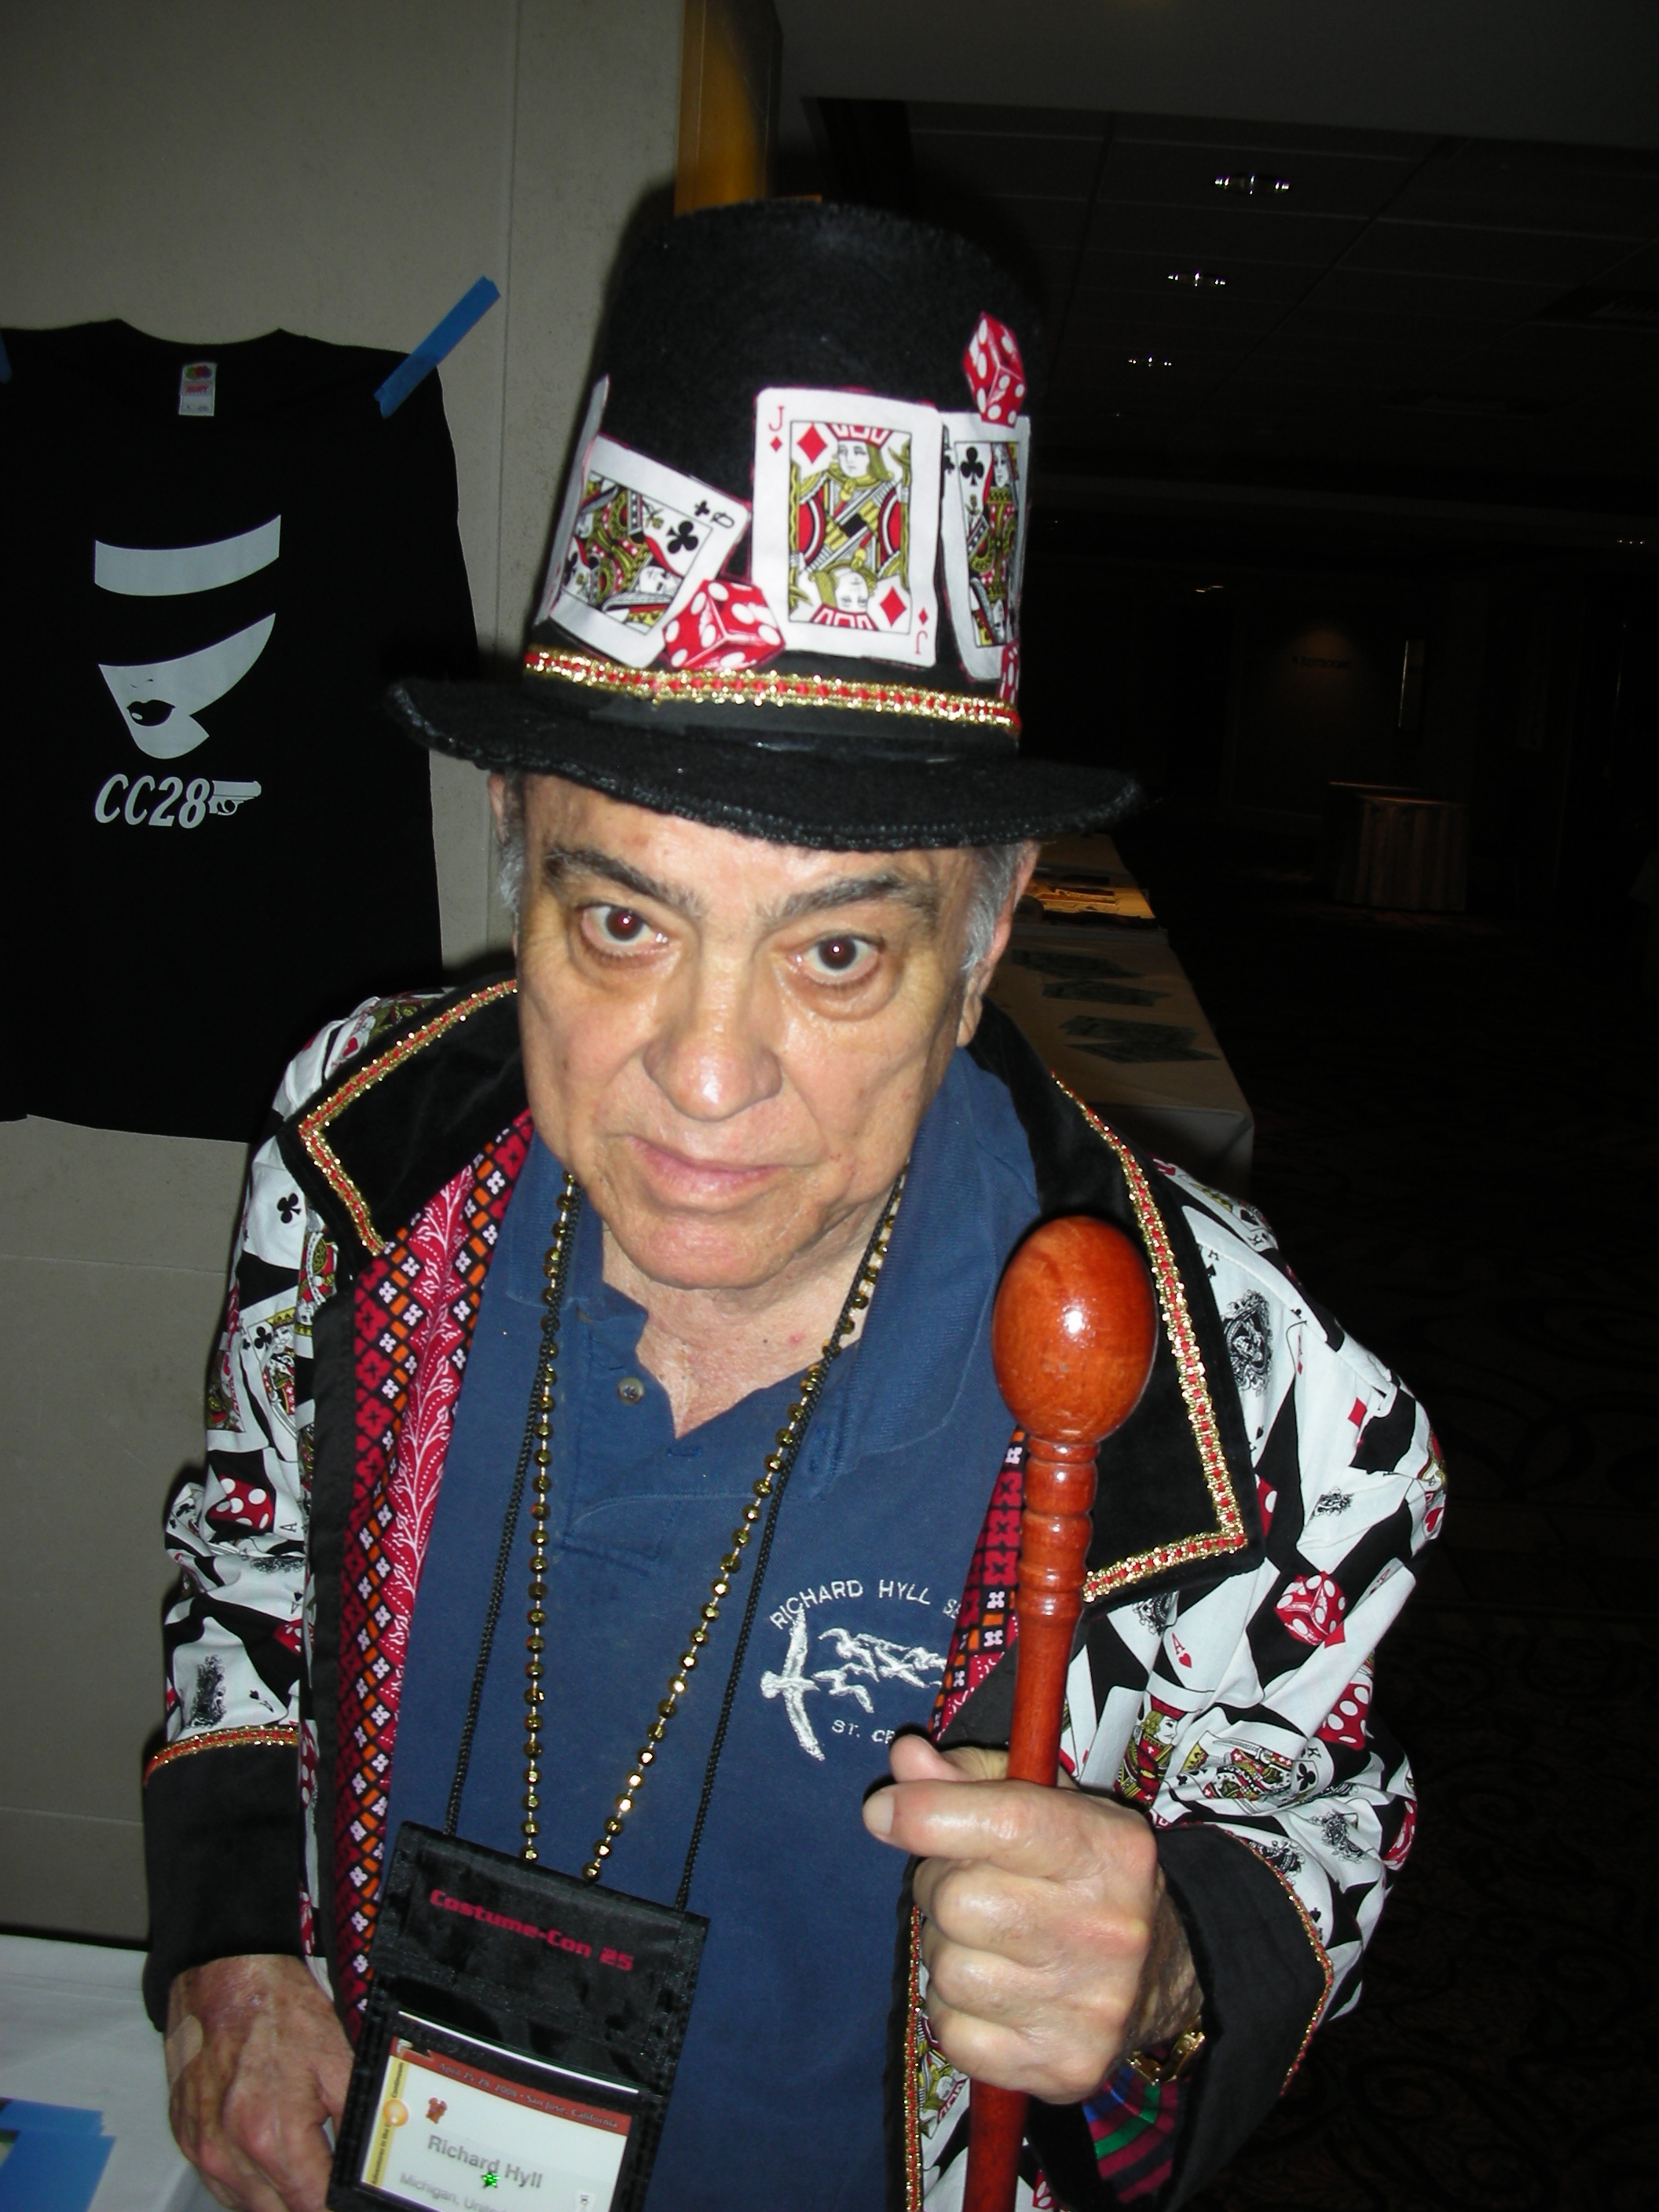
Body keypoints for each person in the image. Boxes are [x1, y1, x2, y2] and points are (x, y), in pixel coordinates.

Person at [143, 203, 1441, 2212]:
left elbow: (1322, 1831)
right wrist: (236, 1943)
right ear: (515, 850)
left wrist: (1171, 1955)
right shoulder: (356, 1160)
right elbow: (252, 1558)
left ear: (983, 937)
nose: (706, 1074)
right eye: (623, 921)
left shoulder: (1257, 1397)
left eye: (836, 954)